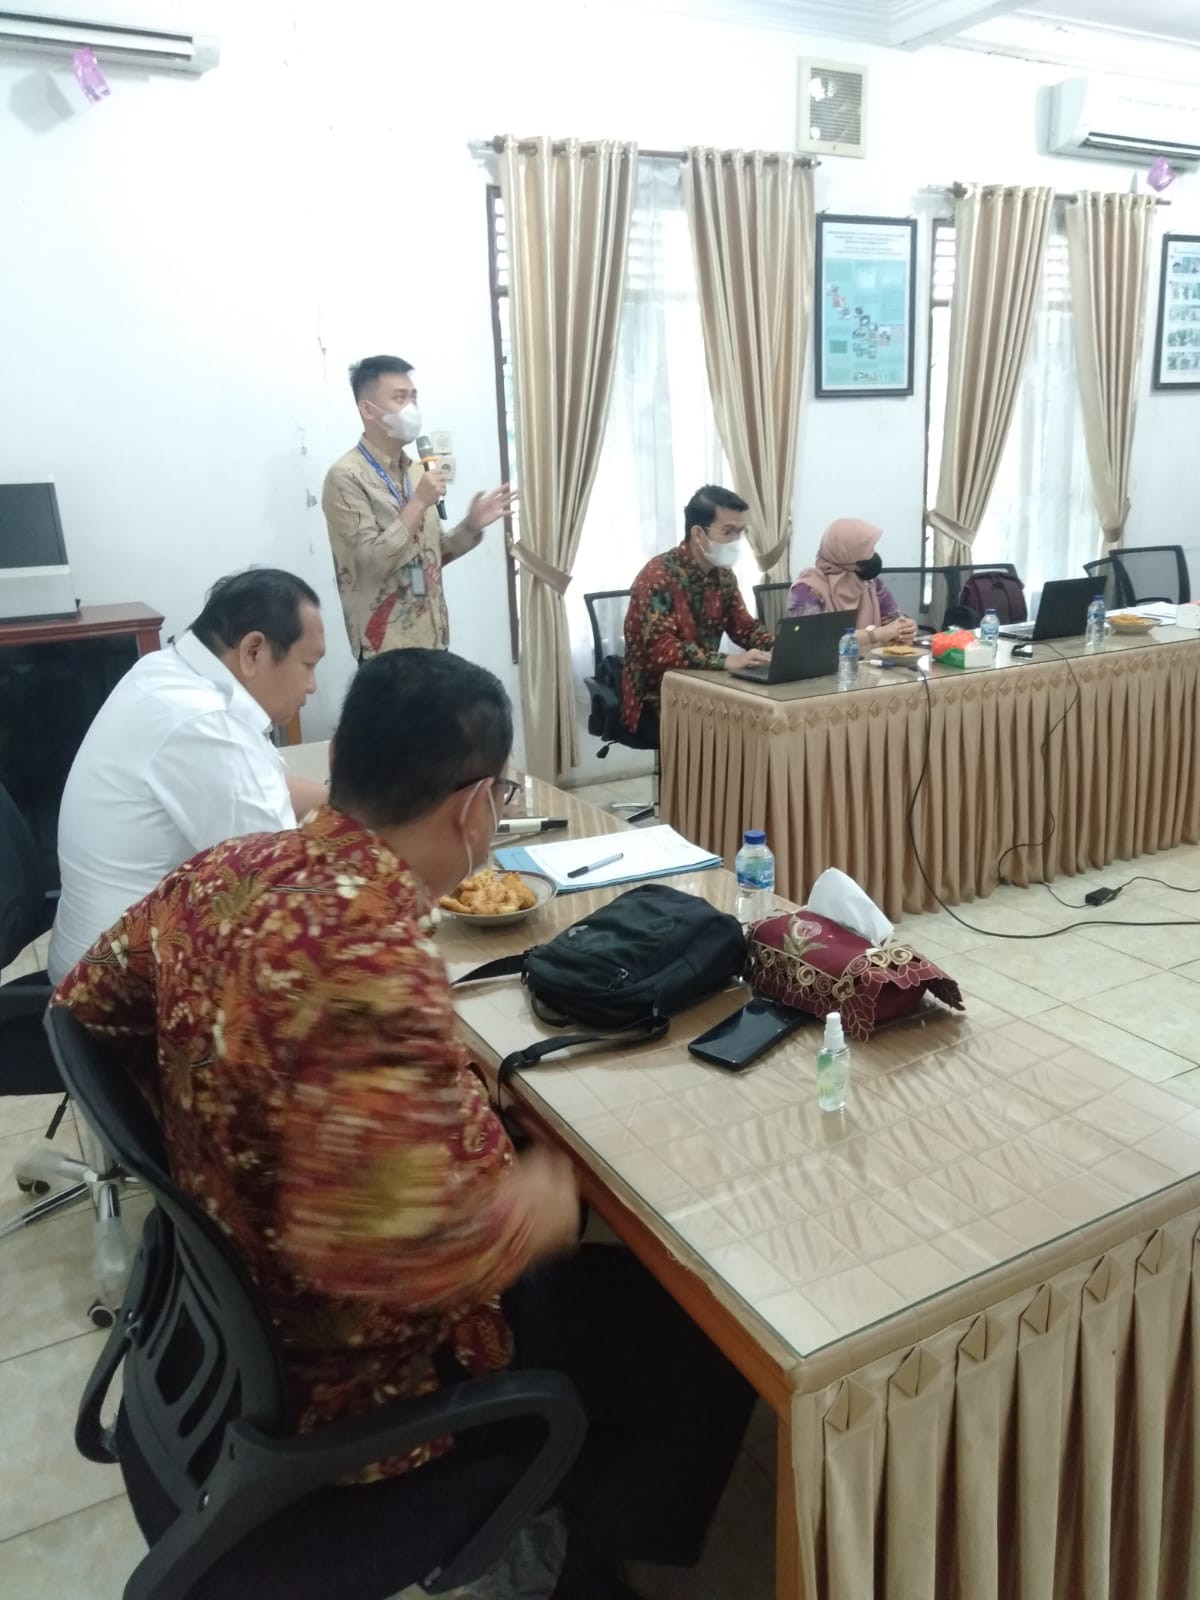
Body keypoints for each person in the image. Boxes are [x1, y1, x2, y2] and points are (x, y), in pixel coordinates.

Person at [52, 649, 754, 1600]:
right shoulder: (372, 969)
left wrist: (220, 1123)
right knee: (698, 1334)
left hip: (223, 1326)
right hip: (359, 1388)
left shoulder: (225, 872)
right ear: (475, 808)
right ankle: (574, 1566)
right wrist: (541, 1205)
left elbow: (85, 1009)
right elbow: (398, 1261)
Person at [47, 569, 327, 983]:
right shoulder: (204, 723)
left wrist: (350, 799)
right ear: (254, 650)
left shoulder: (165, 673)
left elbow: (261, 789)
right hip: (114, 995)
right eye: (308, 665)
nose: (313, 686)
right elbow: (286, 894)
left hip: (100, 960)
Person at [322, 354, 515, 660]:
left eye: (414, 397)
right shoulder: (346, 477)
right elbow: (370, 566)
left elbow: (430, 556)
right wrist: (420, 502)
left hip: (434, 636)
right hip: (387, 650)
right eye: (400, 398)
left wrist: (471, 526)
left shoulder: (416, 471)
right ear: (367, 410)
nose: (411, 407)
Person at [621, 485, 774, 739]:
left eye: (741, 532)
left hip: (704, 687)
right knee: (739, 727)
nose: (736, 541)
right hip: (655, 695)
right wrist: (726, 661)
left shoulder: (723, 575)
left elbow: (743, 627)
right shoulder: (657, 576)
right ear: (698, 534)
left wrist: (778, 648)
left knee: (758, 720)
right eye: (728, 531)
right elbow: (662, 651)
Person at [786, 517, 918, 651]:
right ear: (844, 552)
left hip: (873, 661)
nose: (872, 555)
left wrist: (906, 628)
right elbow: (814, 640)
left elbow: (894, 619)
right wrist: (877, 634)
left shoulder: (870, 583)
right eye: (866, 550)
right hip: (826, 664)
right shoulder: (807, 589)